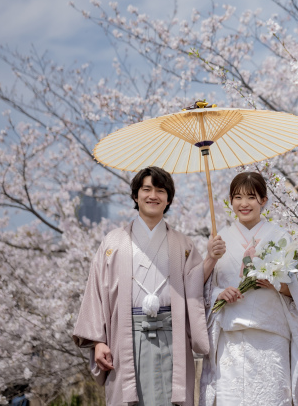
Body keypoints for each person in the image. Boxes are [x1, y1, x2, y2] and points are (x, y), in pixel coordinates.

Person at [72, 166, 225, 405]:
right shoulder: (113, 242)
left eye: (161, 191)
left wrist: (211, 259)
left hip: (172, 334)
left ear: (168, 199)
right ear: (136, 195)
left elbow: (195, 286)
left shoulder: (183, 243)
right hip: (125, 335)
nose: (153, 195)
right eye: (147, 189)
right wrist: (99, 342)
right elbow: (96, 293)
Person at [200, 171, 298, 406]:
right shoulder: (220, 240)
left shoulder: (280, 237)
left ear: (263, 200)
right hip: (231, 338)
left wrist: (277, 284)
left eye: (251, 197)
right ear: (231, 201)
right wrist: (220, 292)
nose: (244, 203)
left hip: (270, 336)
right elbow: (202, 286)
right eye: (238, 197)